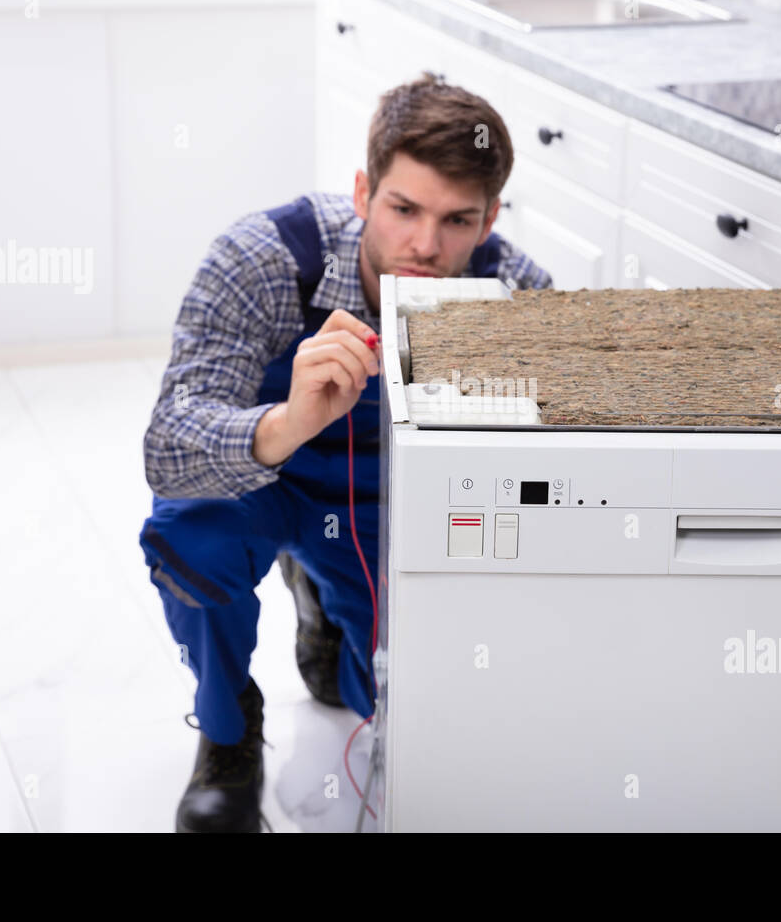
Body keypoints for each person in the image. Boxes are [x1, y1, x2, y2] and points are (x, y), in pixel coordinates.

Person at [138, 73, 553, 832]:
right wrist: (288, 422)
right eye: (403, 210)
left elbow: (535, 481)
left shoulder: (516, 294)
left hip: (381, 509)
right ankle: (229, 736)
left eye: (458, 220)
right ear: (363, 192)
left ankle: (325, 611)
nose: (426, 247)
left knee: (381, 702)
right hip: (259, 485)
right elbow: (169, 446)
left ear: (491, 217)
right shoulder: (263, 258)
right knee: (193, 537)